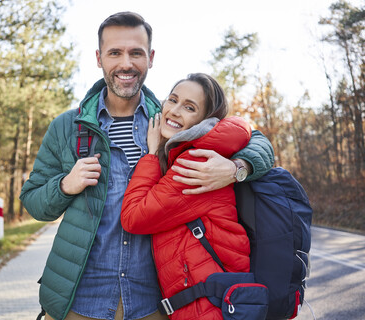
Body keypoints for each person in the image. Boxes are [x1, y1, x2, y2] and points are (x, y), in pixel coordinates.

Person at [20, 12, 274, 320]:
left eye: (136, 53)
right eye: (115, 52)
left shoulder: (172, 122)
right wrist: (64, 186)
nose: (126, 63)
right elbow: (33, 201)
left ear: (150, 58)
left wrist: (236, 168)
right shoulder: (67, 127)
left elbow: (256, 140)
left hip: (154, 304)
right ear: (99, 58)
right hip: (78, 301)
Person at [121, 73, 252, 320]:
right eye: (172, 100)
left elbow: (133, 218)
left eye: (190, 107)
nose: (174, 111)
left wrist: (151, 154)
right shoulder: (192, 153)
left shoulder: (196, 162)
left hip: (210, 308)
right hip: (210, 301)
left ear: (205, 119)